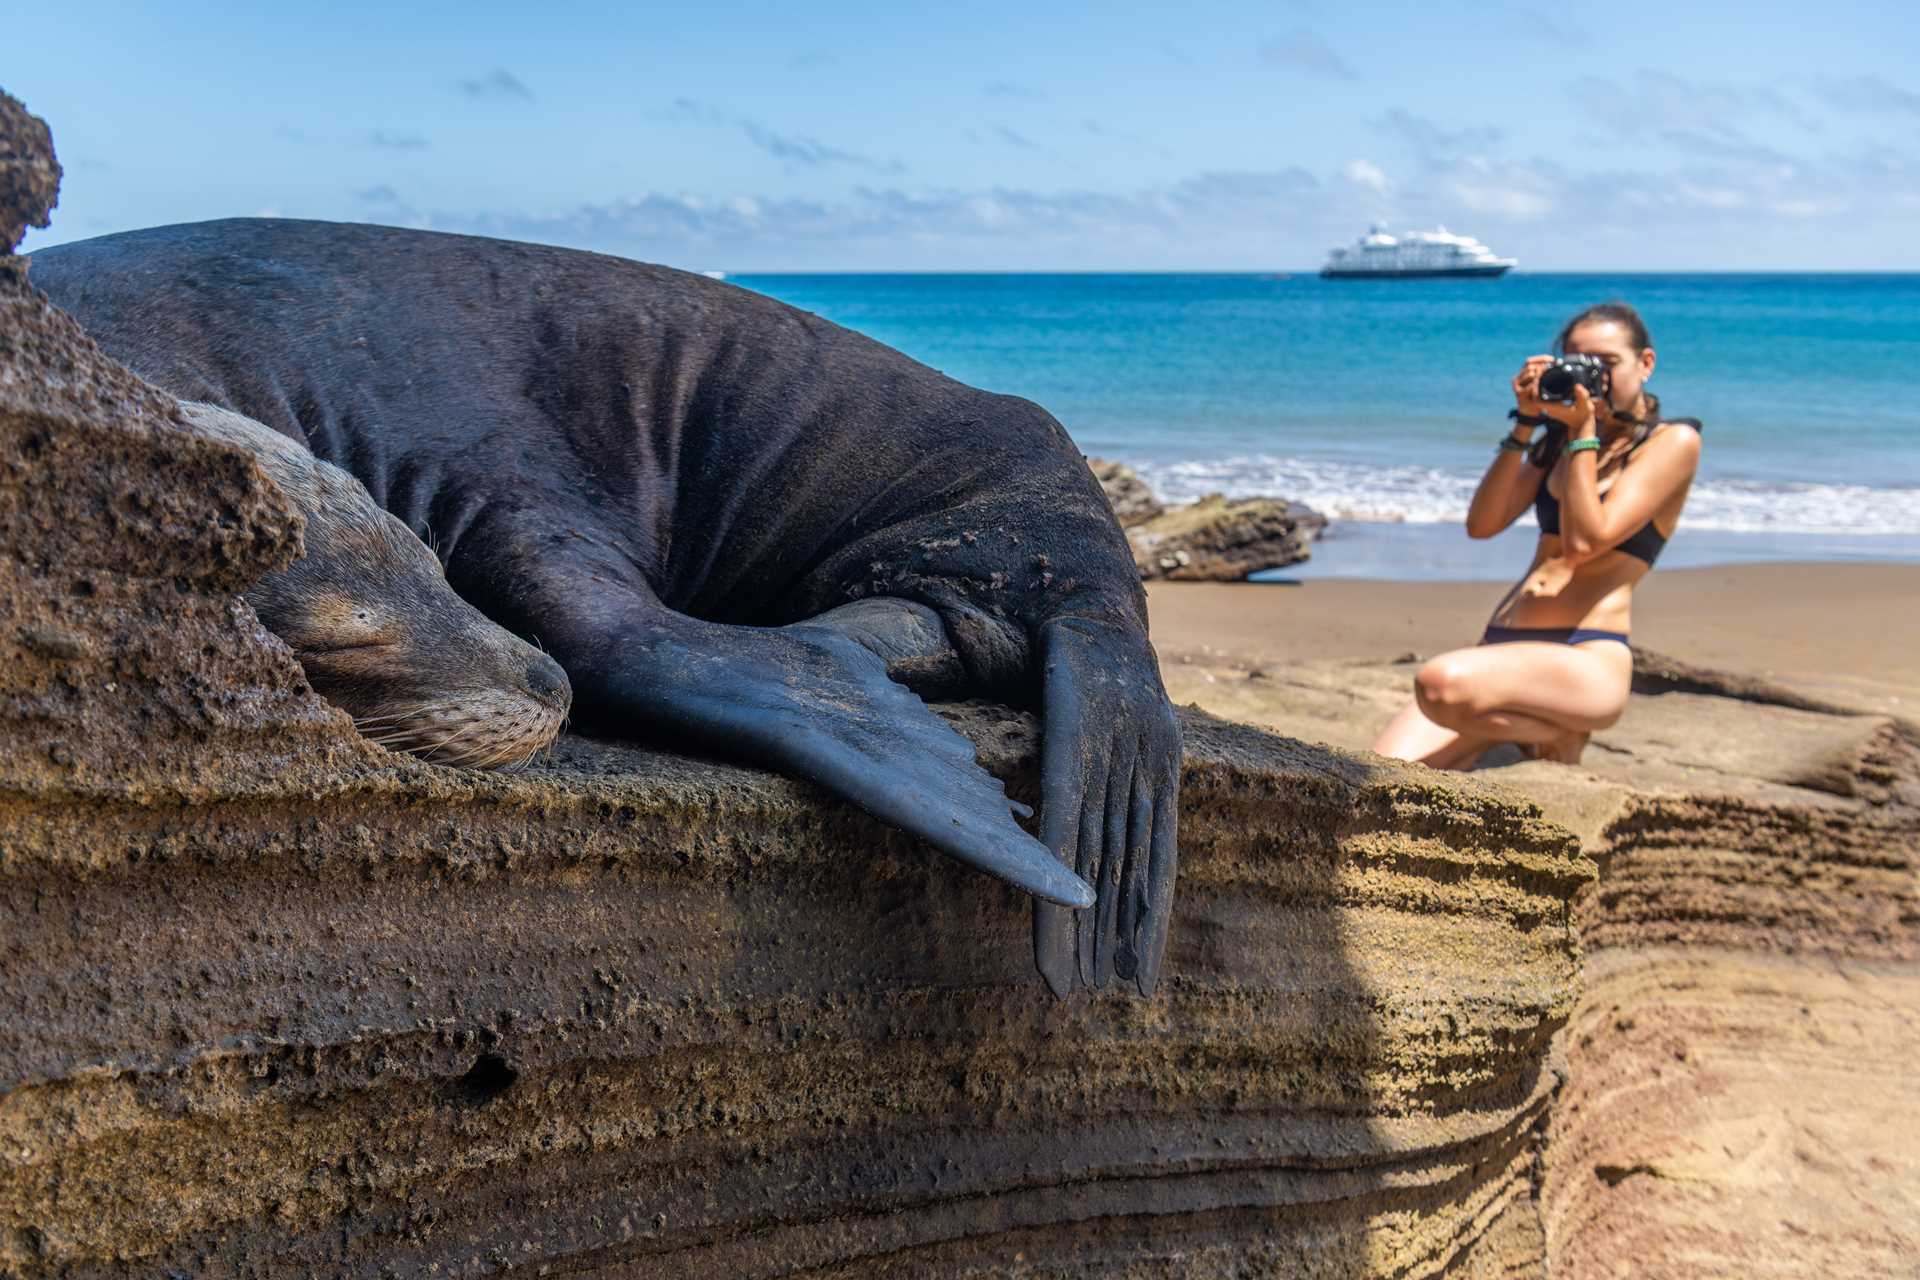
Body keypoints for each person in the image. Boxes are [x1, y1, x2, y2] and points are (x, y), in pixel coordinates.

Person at [1371, 301, 1702, 769]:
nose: (1595, 380)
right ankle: (1538, 729)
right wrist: (1527, 422)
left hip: (1584, 653)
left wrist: (1583, 433)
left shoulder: (1672, 441)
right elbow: (1482, 524)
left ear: (1646, 364)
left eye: (1606, 365)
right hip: (1502, 646)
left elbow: (1587, 542)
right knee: (1379, 775)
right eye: (1579, 365)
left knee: (1438, 684)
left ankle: (1561, 728)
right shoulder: (1559, 446)